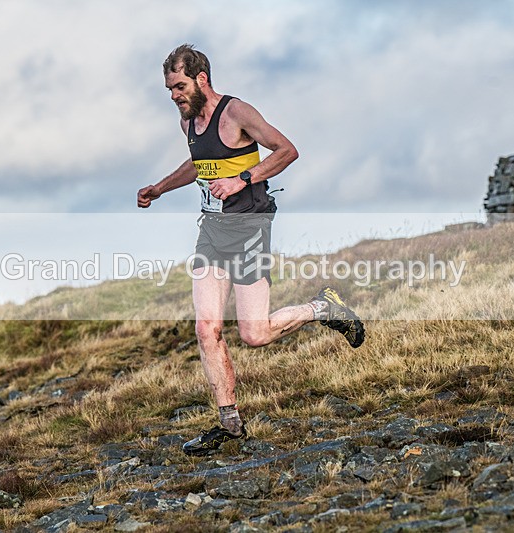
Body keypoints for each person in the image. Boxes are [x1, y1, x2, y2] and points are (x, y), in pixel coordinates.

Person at [137, 44, 365, 456]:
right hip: (212, 232)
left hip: (250, 227)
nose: (174, 95)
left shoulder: (237, 112)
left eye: (179, 86)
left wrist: (243, 178)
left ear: (201, 78)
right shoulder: (187, 119)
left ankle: (323, 308)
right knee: (206, 329)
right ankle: (229, 425)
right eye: (170, 89)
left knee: (254, 333)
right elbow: (198, 163)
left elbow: (287, 150)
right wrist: (160, 187)